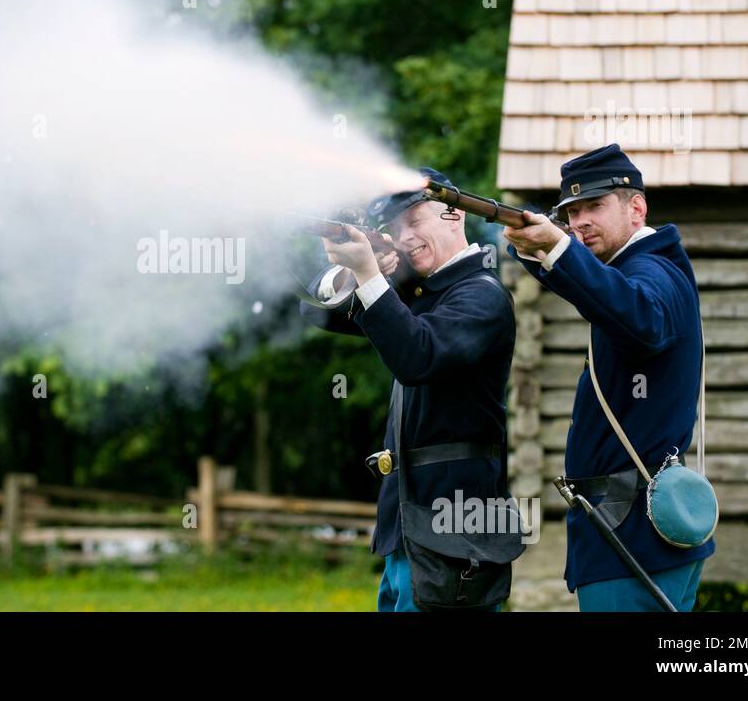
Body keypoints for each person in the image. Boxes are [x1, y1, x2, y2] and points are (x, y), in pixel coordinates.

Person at [502, 143, 714, 612]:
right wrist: (540, 254)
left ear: (636, 208)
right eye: (571, 213)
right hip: (642, 531)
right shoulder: (644, 269)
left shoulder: (651, 271)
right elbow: (601, 296)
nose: (579, 222)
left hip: (630, 536)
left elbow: (637, 316)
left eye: (594, 206)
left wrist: (556, 248)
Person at [300, 168, 516, 612]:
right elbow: (316, 312)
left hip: (454, 529)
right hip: (412, 525)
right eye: (394, 228)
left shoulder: (482, 294)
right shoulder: (417, 291)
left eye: (414, 221)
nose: (404, 235)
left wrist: (370, 276)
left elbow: (417, 358)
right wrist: (356, 269)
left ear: (454, 214)